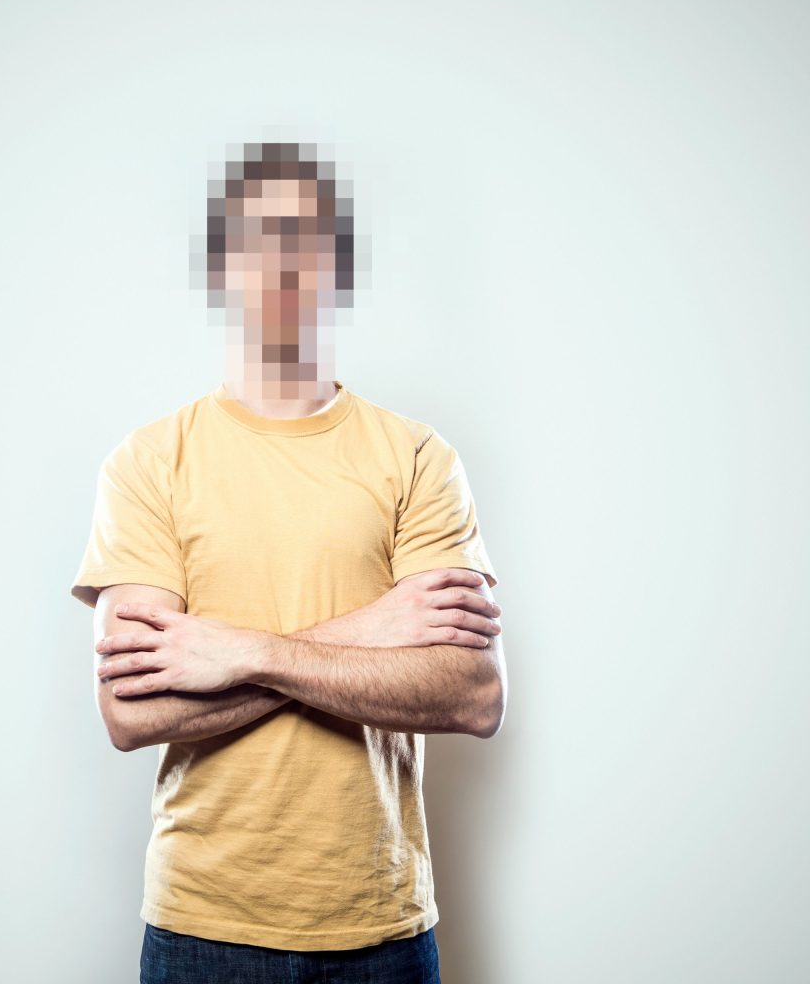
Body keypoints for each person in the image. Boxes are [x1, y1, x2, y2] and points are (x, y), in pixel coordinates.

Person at [70, 141, 506, 984]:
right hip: (203, 927)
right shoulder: (151, 462)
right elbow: (131, 712)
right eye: (258, 239)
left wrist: (240, 650)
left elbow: (474, 692)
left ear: (339, 267)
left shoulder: (417, 457)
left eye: (307, 239)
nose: (282, 264)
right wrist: (376, 630)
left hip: (383, 927)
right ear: (222, 267)